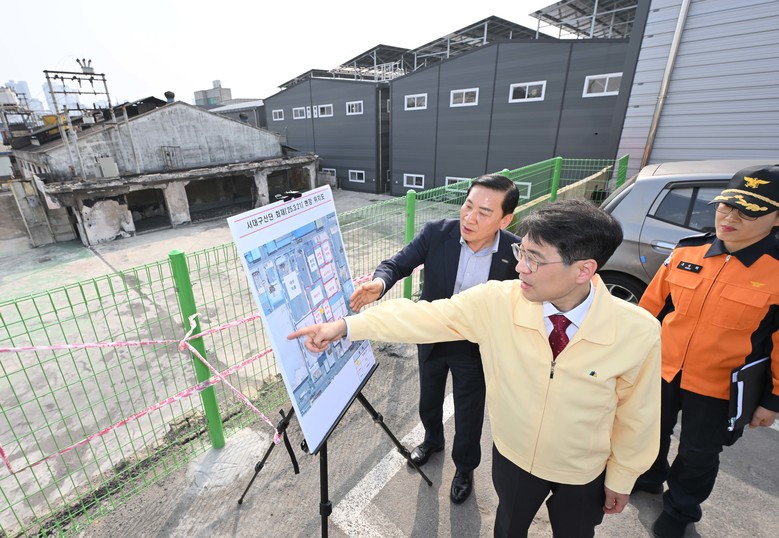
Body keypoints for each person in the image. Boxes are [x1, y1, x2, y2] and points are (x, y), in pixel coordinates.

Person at [289, 199, 662, 537]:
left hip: (584, 471)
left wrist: (623, 476)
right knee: (508, 527)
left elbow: (638, 415)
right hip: (514, 457)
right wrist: (347, 326)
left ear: (584, 270)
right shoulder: (499, 301)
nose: (520, 267)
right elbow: (424, 317)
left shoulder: (637, 331)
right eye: (521, 252)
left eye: (534, 259)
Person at [348, 173, 520, 504]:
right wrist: (379, 284)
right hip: (432, 336)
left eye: (484, 212)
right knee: (429, 396)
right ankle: (432, 440)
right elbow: (397, 264)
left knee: (469, 411)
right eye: (468, 205)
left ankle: (465, 468)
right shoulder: (437, 233)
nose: (470, 217)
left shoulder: (515, 254)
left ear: (505, 219)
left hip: (476, 347)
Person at [635, 164, 779, 538]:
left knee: (698, 454)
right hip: (663, 368)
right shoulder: (688, 250)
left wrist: (772, 400)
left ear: (776, 218)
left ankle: (680, 510)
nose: (729, 218)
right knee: (648, 431)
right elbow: (649, 309)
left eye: (748, 211)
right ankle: (648, 476)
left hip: (720, 384)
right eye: (725, 206)